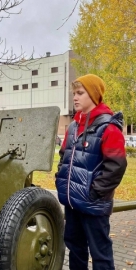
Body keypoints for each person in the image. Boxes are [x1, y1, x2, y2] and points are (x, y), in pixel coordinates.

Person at [55, 74, 127, 270]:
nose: (75, 98)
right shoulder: (72, 126)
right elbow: (64, 156)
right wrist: (60, 179)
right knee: (75, 248)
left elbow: (116, 166)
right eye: (74, 93)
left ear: (94, 95)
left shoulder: (109, 128)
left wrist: (94, 192)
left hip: (94, 204)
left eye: (80, 93)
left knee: (100, 253)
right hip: (72, 202)